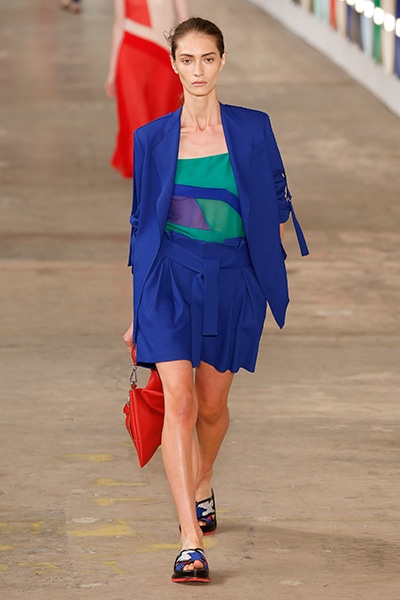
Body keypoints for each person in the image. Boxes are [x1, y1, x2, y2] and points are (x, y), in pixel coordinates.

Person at [123, 17, 309, 583]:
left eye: (208, 58)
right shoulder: (152, 139)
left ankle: (202, 478)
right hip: (169, 279)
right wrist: (136, 313)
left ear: (222, 61)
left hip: (232, 278)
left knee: (209, 407)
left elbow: (276, 207)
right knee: (179, 404)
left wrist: (258, 273)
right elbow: (142, 228)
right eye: (188, 59)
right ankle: (190, 541)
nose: (198, 70)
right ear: (173, 65)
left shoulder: (253, 128)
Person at [105, 0, 190, 178]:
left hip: (163, 57)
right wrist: (112, 71)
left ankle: (157, 169)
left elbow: (185, 22)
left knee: (162, 115)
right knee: (137, 117)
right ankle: (143, 170)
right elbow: (119, 23)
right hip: (130, 54)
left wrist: (187, 61)